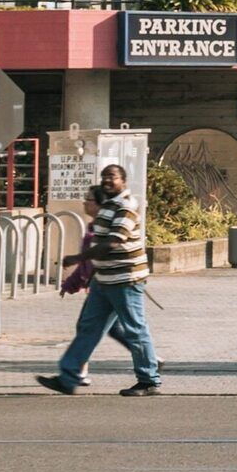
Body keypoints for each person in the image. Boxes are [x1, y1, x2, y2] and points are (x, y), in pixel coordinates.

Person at [40, 164, 160, 397]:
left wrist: (77, 258)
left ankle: (149, 380)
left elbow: (112, 243)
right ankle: (68, 378)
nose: (106, 180)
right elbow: (100, 243)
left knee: (135, 329)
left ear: (123, 180)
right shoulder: (108, 205)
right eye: (104, 176)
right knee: (88, 328)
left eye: (112, 177)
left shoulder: (126, 207)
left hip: (125, 279)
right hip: (104, 280)